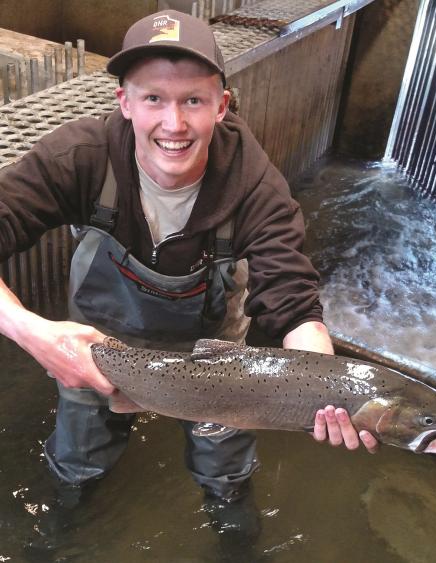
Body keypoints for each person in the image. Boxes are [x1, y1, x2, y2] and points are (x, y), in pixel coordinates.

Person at [0, 9, 377, 515]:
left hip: (216, 362)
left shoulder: (256, 187)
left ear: (221, 106)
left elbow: (291, 301)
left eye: (193, 101)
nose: (173, 125)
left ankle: (233, 529)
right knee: (77, 462)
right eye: (154, 98)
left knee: (227, 472)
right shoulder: (80, 158)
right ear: (124, 102)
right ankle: (64, 524)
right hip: (95, 346)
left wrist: (328, 389)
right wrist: (33, 333)